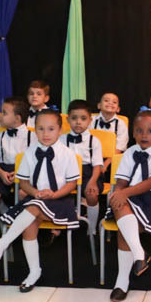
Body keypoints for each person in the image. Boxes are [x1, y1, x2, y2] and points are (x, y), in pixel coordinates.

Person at [0, 108, 80, 291]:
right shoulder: (30, 152)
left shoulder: (67, 154)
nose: (45, 134)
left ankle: (1, 245)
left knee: (33, 208)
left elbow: (72, 184)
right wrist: (35, 192)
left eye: (51, 129)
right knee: (29, 225)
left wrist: (53, 195)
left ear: (60, 130)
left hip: (60, 201)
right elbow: (23, 183)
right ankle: (34, 272)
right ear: (34, 129)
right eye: (41, 129)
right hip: (36, 199)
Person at [106, 108, 151, 302]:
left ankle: (123, 280)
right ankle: (137, 258)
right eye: (139, 130)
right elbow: (122, 180)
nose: (144, 135)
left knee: (124, 225)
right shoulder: (130, 152)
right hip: (132, 198)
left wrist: (123, 193)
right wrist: (119, 192)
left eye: (150, 131)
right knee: (119, 207)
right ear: (133, 133)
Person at [61, 99, 105, 237]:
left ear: (90, 120)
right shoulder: (61, 139)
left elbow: (97, 165)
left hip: (88, 173)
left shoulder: (94, 141)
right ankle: (57, 228)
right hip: (66, 173)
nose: (78, 122)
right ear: (68, 119)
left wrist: (92, 181)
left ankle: (91, 228)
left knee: (92, 193)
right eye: (74, 118)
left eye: (83, 118)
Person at [0, 97, 32, 208]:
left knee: (23, 194)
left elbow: (35, 162)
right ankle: (5, 213)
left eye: (4, 113)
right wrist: (1, 173)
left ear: (17, 118)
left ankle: (20, 214)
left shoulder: (32, 136)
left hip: (25, 172)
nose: (0, 116)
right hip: (3, 171)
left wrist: (18, 172)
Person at [91, 91, 129, 165]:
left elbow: (120, 147)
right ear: (99, 105)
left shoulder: (121, 124)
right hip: (93, 156)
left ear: (118, 109)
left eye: (114, 102)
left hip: (113, 158)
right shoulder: (91, 120)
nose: (110, 103)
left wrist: (106, 163)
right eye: (106, 100)